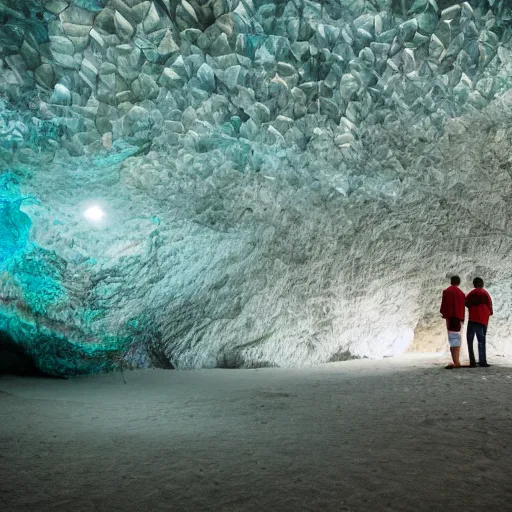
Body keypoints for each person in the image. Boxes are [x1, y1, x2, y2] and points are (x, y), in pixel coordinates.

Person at [466, 277, 493, 368]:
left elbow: (466, 302)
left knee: (470, 341)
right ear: (482, 284)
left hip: (473, 319)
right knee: (481, 341)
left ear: (474, 284)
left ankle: (472, 362)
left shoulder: (472, 293)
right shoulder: (486, 293)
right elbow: (490, 307)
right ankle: (482, 361)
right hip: (483, 321)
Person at [440, 275, 466, 369]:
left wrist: (444, 314)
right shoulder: (461, 293)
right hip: (458, 318)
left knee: (452, 338)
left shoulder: (447, 291)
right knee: (457, 338)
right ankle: (456, 360)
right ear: (458, 283)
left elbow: (444, 305)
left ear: (451, 282)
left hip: (450, 318)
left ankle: (456, 361)